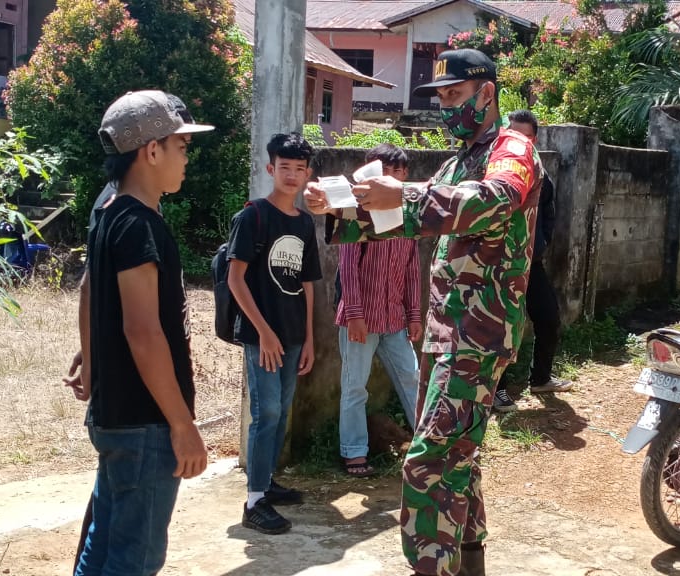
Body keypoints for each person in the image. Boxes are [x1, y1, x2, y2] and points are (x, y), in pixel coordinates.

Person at [306, 48, 541, 576]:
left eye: (455, 95)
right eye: (442, 98)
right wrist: (343, 206)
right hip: (447, 331)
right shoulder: (460, 160)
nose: (447, 108)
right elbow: (402, 222)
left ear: (487, 93)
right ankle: (471, 561)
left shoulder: (512, 149)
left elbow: (493, 199)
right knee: (458, 455)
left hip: (478, 334)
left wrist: (406, 193)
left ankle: (431, 567)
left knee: (428, 463)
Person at [73, 90, 213, 575]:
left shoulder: (108, 213)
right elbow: (144, 332)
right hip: (145, 422)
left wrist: (92, 366)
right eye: (181, 147)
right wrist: (181, 424)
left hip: (115, 413)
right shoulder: (138, 226)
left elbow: (90, 291)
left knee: (105, 541)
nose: (186, 160)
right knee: (135, 559)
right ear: (151, 151)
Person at [227, 132, 322, 535]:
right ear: (271, 169)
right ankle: (254, 501)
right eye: (285, 167)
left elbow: (309, 284)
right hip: (262, 336)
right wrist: (263, 333)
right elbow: (236, 279)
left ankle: (266, 484)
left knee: (281, 412)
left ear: (307, 175)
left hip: (293, 335)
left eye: (300, 169)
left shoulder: (304, 222)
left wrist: (310, 339)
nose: (292, 174)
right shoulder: (253, 216)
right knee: (265, 413)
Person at [335, 144, 423, 477]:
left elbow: (413, 268)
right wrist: (355, 314)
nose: (396, 177)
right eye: (389, 170)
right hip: (360, 319)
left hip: (395, 319)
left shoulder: (408, 216)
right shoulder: (355, 213)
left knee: (412, 376)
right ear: (373, 172)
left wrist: (414, 315)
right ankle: (354, 453)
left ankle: (429, 442)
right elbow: (347, 267)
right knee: (355, 386)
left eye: (401, 172)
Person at [494, 110, 570, 414]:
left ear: (534, 140)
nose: (517, 142)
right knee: (500, 329)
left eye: (523, 136)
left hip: (531, 262)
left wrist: (542, 243)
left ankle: (540, 378)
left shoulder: (542, 176)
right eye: (511, 135)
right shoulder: (497, 171)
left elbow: (549, 214)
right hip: (500, 266)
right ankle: (495, 391)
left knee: (549, 318)